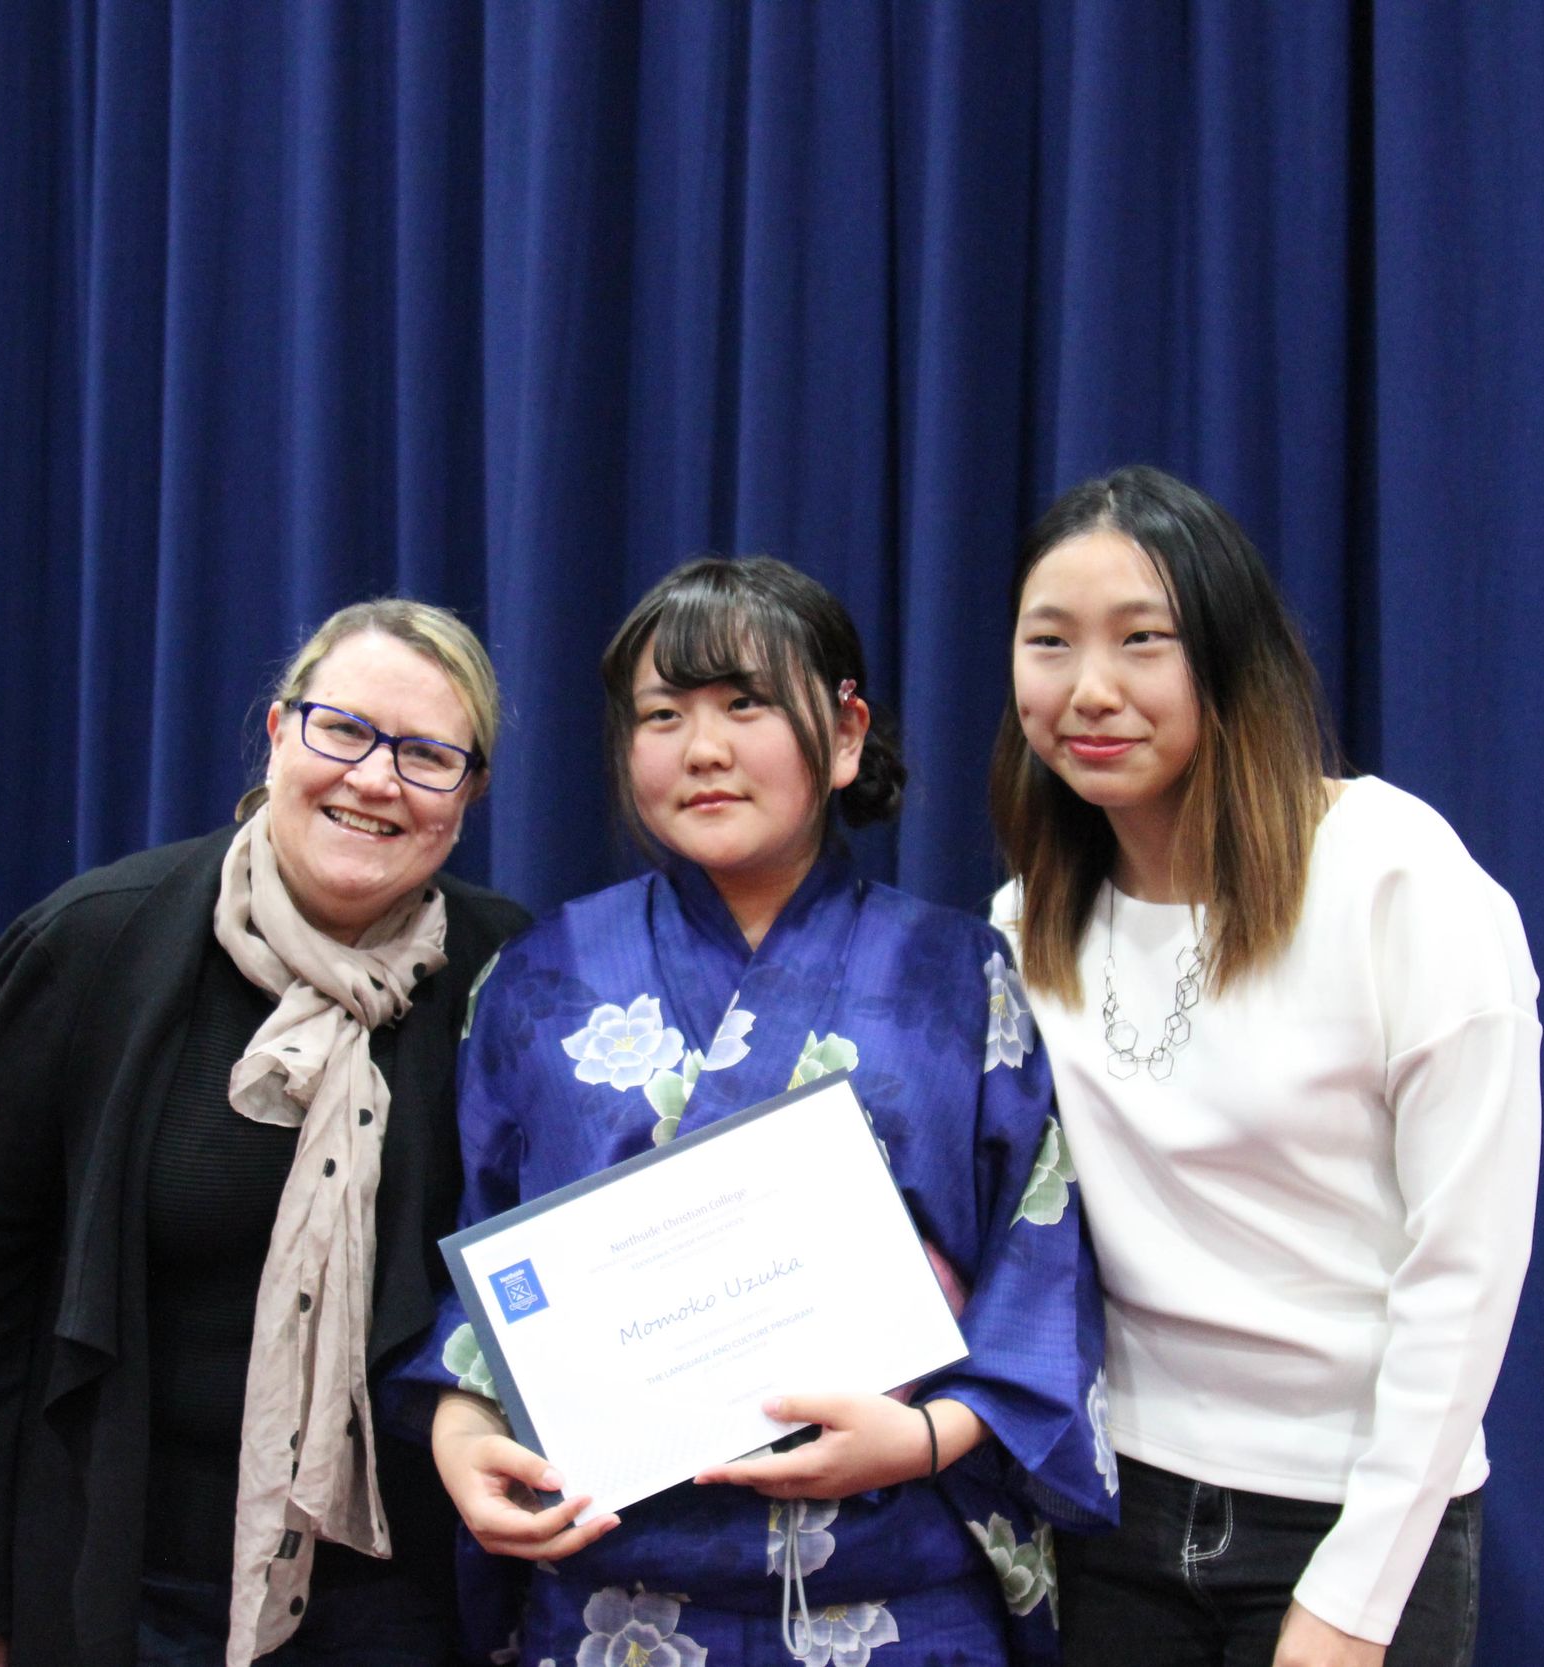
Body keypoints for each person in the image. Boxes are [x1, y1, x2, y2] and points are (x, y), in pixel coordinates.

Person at [420, 557, 1118, 1666]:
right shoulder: (537, 979)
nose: (702, 748)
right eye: (662, 714)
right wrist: (461, 1429)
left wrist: (924, 1435)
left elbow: (1039, 1261)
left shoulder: (958, 973)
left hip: (899, 1595)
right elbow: (481, 1273)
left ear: (844, 734)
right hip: (613, 1597)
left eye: (745, 703)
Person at [0, 600, 531, 1667]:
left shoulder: (509, 974)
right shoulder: (92, 945)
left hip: (403, 1590)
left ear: (467, 795)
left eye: (427, 755)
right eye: (344, 730)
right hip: (133, 1572)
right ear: (279, 733)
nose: (375, 778)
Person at [987, 467, 1540, 1667]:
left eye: (1144, 640)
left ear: (1232, 656)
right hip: (1111, 1509)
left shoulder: (1396, 877)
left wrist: (1355, 1595)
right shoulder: (1024, 921)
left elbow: (1466, 1265)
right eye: (1050, 641)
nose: (1090, 687)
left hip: (1352, 1511)